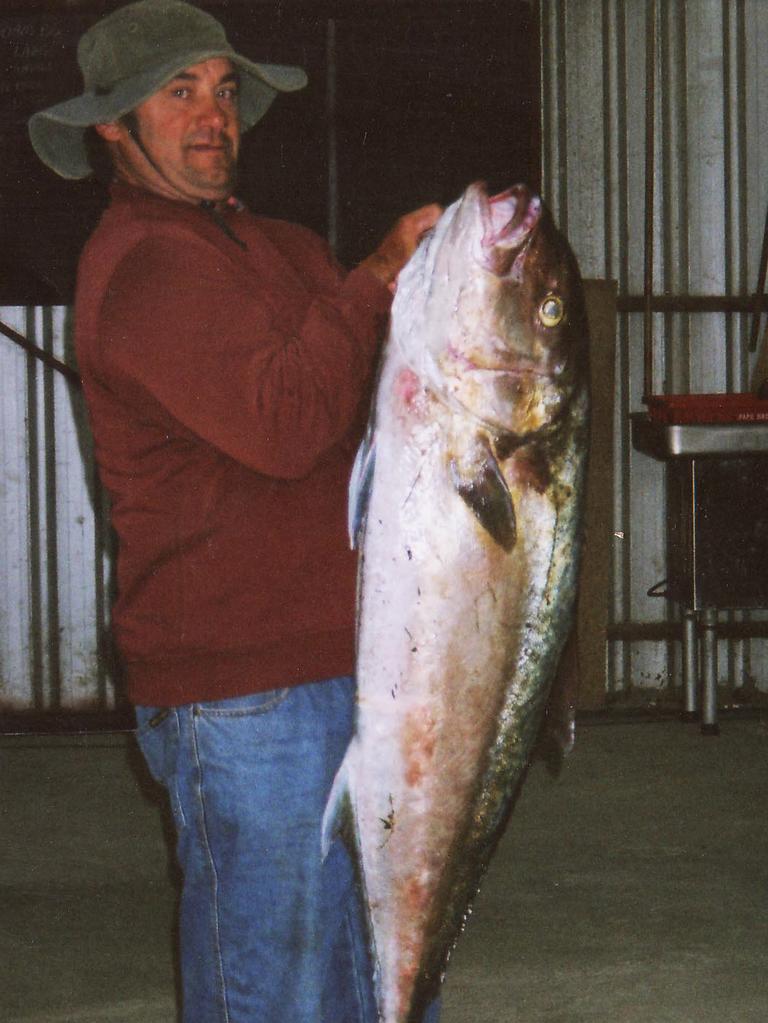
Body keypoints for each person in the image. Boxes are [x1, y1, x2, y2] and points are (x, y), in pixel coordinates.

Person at [28, 2, 442, 1021]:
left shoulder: (286, 247)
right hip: (246, 699)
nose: (215, 114)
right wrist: (382, 274)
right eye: (181, 92)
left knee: (389, 984)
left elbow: (378, 396)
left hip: (363, 672)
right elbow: (292, 423)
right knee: (282, 993)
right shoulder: (140, 268)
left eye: (224, 90)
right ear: (112, 127)